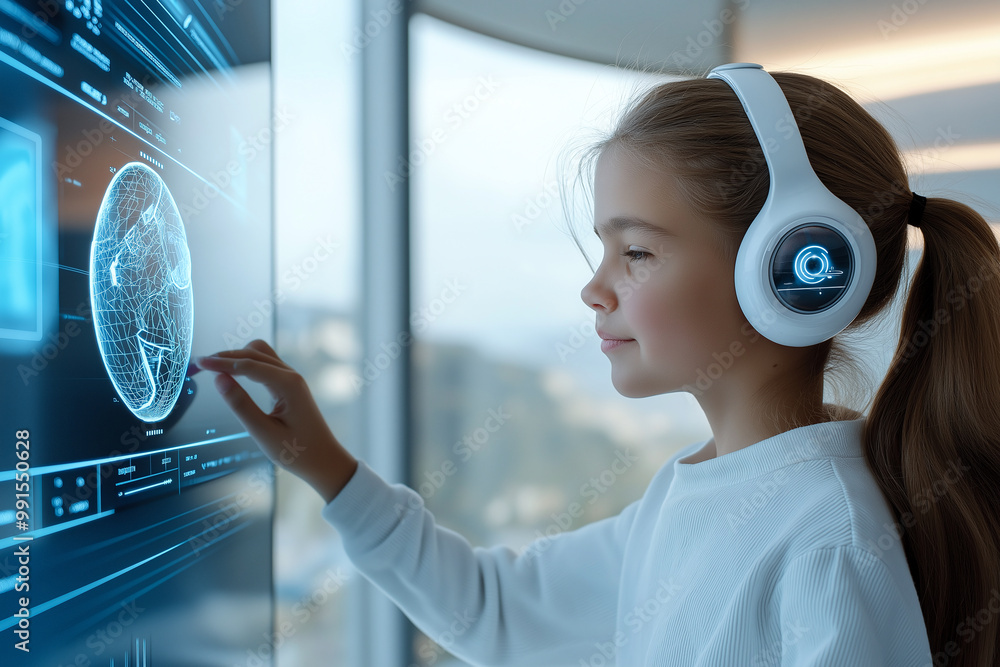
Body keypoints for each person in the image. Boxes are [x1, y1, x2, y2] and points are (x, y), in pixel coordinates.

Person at [195, 67, 1000, 666]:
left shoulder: (829, 540)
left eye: (638, 251)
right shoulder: (688, 498)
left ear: (794, 268)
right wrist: (329, 470)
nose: (594, 286)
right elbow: (494, 609)